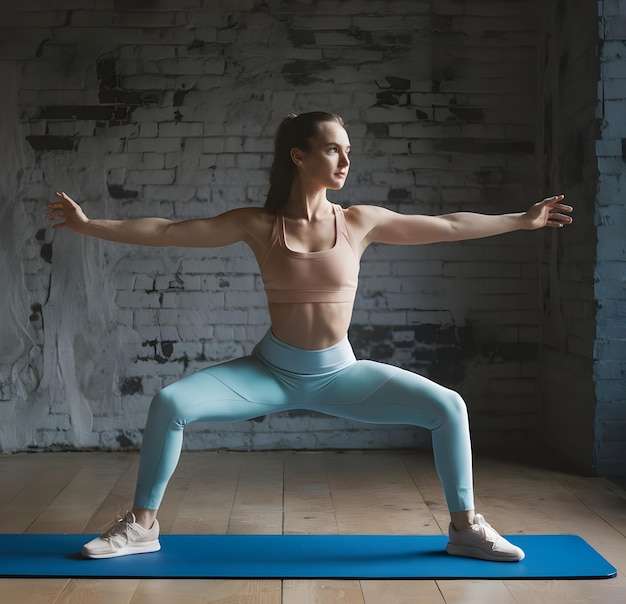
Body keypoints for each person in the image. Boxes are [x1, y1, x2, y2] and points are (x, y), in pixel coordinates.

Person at [46, 111, 573, 562]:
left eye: (348, 151)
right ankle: (142, 526)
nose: (345, 162)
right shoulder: (258, 223)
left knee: (449, 407)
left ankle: (464, 529)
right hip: (269, 373)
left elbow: (449, 226)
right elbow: (166, 231)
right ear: (299, 156)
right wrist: (89, 225)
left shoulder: (360, 221)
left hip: (340, 374)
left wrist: (520, 222)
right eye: (332, 150)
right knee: (168, 403)